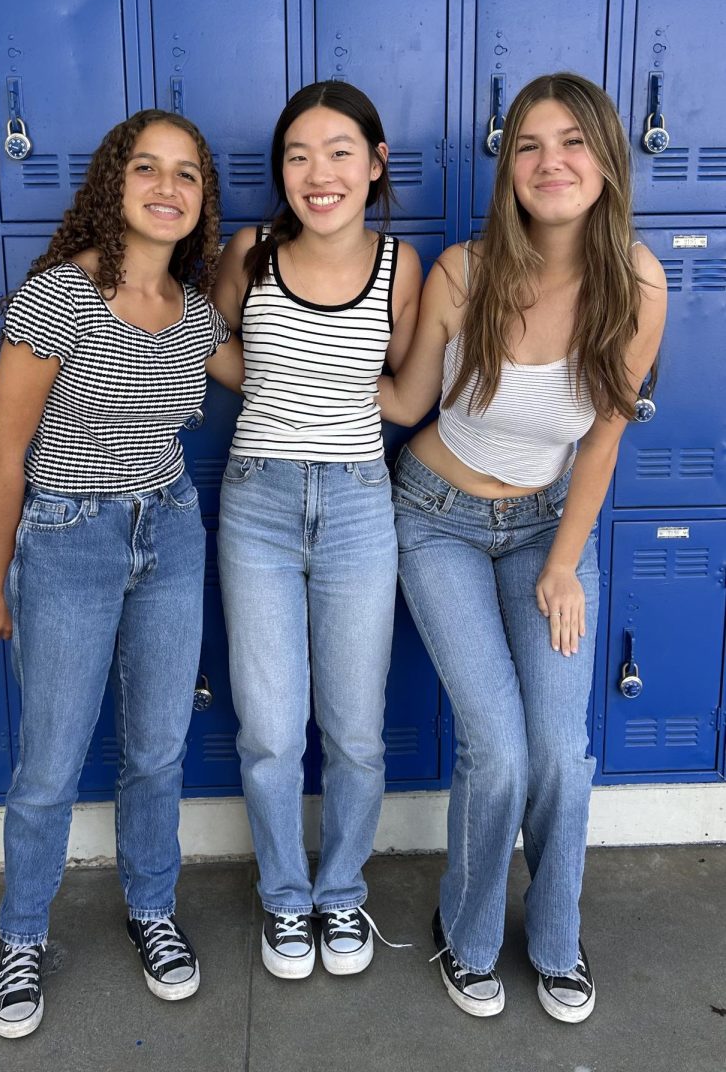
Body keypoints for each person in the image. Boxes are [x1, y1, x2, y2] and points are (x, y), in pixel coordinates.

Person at [379, 72, 666, 1022]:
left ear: (608, 159)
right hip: (436, 517)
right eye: (532, 145)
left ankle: (553, 939)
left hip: (548, 526)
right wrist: (281, 359)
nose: (552, 162)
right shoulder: (467, 272)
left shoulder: (640, 283)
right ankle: (464, 937)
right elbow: (408, 404)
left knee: (560, 748)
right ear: (509, 169)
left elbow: (603, 438)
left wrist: (562, 565)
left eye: (573, 142)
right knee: (496, 749)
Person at [0, 109, 242, 1038]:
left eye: (187, 176)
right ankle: (21, 935)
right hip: (69, 537)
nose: (166, 189)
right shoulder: (59, 297)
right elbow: (3, 453)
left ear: (203, 201)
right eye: (146, 170)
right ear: (114, 186)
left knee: (158, 747)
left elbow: (274, 369)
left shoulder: (198, 313)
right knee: (48, 761)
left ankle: (152, 909)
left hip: (170, 532)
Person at [212, 81, 422, 979]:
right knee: (267, 727)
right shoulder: (250, 251)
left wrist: (333, 401)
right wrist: (271, 389)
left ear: (375, 165)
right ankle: (285, 900)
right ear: (281, 174)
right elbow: (204, 342)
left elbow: (411, 395)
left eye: (340, 151)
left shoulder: (401, 267)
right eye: (298, 155)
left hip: (358, 505)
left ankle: (342, 894)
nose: (317, 172)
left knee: (356, 730)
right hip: (256, 502)